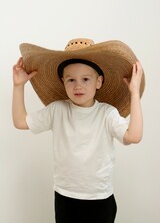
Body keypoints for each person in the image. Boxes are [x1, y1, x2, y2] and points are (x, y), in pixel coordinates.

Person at [12, 38, 144, 223]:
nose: (78, 85)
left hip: (99, 199)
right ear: (62, 82)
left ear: (99, 82)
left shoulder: (107, 113)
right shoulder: (57, 110)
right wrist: (19, 86)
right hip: (65, 197)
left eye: (85, 79)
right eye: (71, 79)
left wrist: (134, 93)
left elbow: (134, 136)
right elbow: (20, 122)